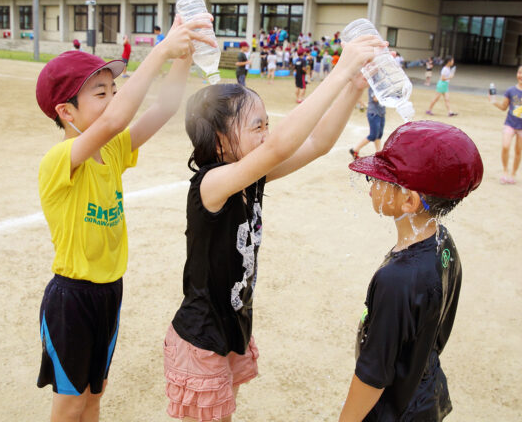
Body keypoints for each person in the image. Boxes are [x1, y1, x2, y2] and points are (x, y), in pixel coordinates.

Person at [162, 33, 386, 422]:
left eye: (268, 123)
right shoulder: (211, 185)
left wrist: (352, 87)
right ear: (218, 143)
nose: (267, 132)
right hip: (201, 336)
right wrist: (341, 67)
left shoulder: (252, 177)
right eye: (257, 126)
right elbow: (279, 146)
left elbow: (316, 142)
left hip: (231, 327)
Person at [35, 14, 215, 422]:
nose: (114, 99)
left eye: (114, 89)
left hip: (108, 293)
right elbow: (118, 118)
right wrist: (161, 50)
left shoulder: (113, 149)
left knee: (95, 398)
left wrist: (182, 57)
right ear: (67, 111)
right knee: (70, 403)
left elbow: (165, 107)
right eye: (102, 93)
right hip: (72, 299)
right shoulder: (60, 160)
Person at [341, 120, 483, 422]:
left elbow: (372, 375)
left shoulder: (396, 280)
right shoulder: (443, 241)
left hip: (394, 410)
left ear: (408, 199)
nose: (371, 188)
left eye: (377, 180)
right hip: (423, 396)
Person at [490, 63, 522, 185]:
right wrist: (493, 101)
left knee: (518, 151)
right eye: (520, 72)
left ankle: (513, 174)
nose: (521, 75)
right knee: (505, 146)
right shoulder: (511, 90)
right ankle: (505, 171)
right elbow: (504, 107)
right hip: (510, 123)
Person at [350, 90, 385, 158]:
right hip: (374, 113)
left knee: (379, 135)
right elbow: (375, 98)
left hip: (381, 113)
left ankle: (378, 153)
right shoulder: (374, 85)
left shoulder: (383, 85)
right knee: (373, 135)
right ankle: (355, 150)